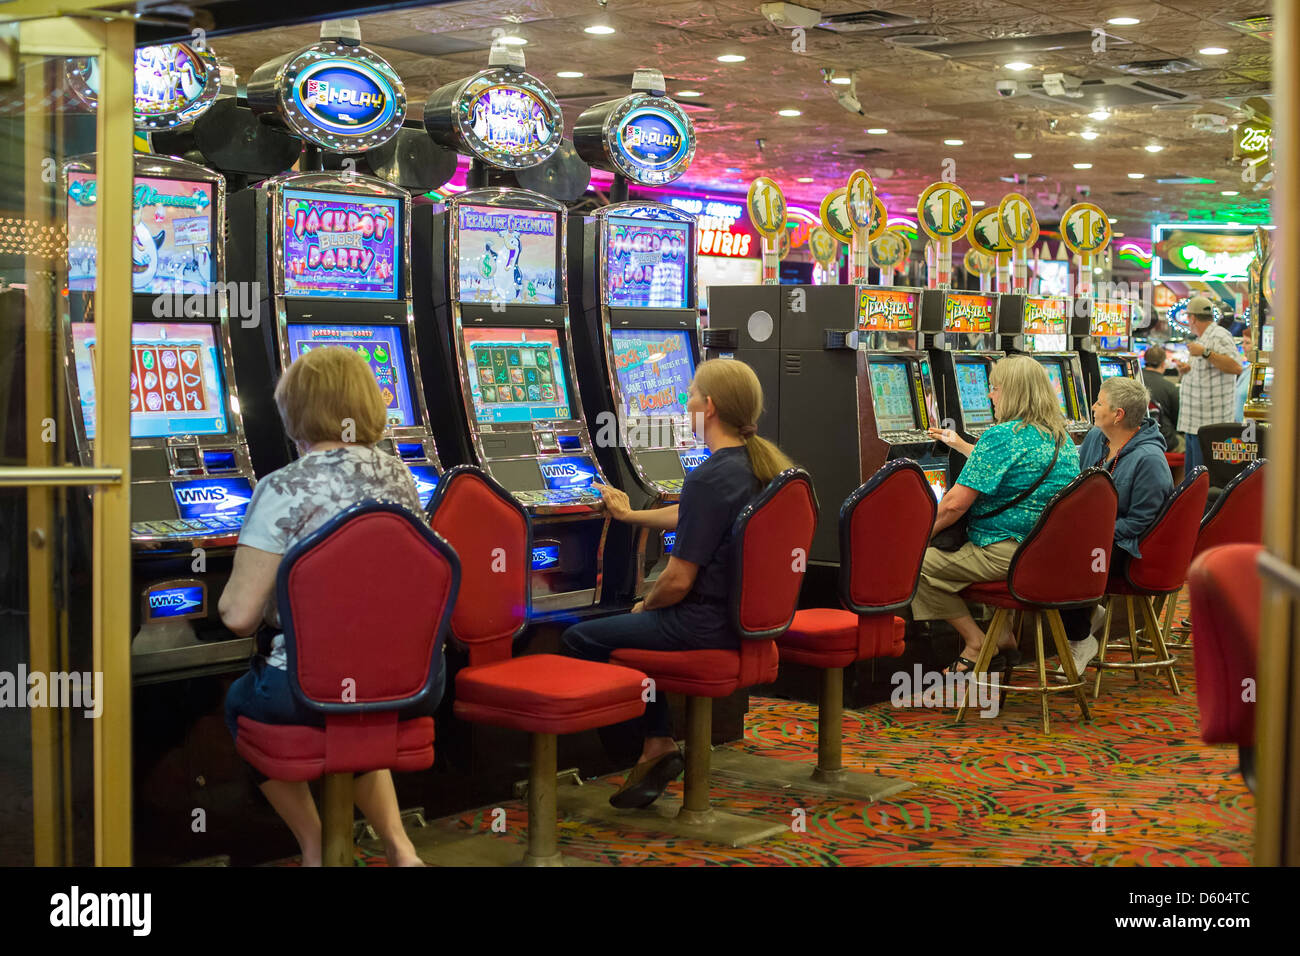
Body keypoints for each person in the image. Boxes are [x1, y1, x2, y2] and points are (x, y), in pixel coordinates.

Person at [219, 346, 435, 867]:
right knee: (356, 701)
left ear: (294, 408)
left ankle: (315, 844)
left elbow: (239, 616)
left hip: (304, 691)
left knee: (237, 701)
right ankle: (400, 847)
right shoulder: (401, 478)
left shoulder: (282, 487)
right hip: (410, 685)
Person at [560, 358, 793, 809]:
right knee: (629, 628)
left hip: (703, 622)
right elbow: (690, 511)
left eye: (688, 396)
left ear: (709, 407)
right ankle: (656, 741)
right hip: (745, 621)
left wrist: (646, 607)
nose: (684, 404)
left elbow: (677, 580)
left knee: (579, 637)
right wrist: (628, 516)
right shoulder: (761, 465)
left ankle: (650, 745)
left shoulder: (711, 475)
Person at [921, 355, 1080, 673]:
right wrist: (966, 447)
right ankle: (1003, 633)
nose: (990, 396)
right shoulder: (1061, 438)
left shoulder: (1002, 435)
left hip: (1008, 553)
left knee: (915, 566)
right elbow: (1015, 471)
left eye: (994, 388)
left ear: (1014, 392)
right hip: (1051, 554)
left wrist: (915, 537)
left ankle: (977, 641)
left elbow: (954, 506)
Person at [1058, 377, 1174, 674]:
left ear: (1118, 415)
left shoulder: (1149, 459)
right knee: (1043, 545)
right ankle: (1084, 614)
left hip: (1126, 546)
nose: (1093, 408)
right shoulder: (1098, 438)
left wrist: (1095, 534)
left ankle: (1080, 637)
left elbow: (1144, 523)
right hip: (1091, 535)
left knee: (1065, 559)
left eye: (1098, 402)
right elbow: (1076, 481)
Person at [1175, 295, 1245, 474]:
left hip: (1210, 425)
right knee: (1193, 479)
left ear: (1192, 318)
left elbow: (1236, 367)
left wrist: (1206, 353)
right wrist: (1187, 369)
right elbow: (1209, 370)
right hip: (1195, 423)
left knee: (1204, 479)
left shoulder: (1219, 335)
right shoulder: (1203, 338)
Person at [1141, 344, 1182, 452]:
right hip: (1164, 439)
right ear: (1163, 363)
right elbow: (1178, 420)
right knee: (1188, 445)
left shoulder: (1133, 381)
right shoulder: (1169, 387)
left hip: (1137, 437)